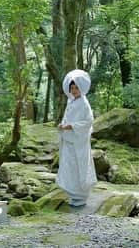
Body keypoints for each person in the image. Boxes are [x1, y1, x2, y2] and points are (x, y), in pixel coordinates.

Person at [56, 69, 97, 207]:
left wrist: (72, 126)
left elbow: (88, 122)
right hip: (69, 141)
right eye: (72, 88)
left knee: (79, 166)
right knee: (69, 166)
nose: (74, 91)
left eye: (76, 88)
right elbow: (67, 117)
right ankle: (72, 194)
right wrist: (62, 125)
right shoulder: (71, 102)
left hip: (79, 142)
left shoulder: (84, 104)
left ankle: (80, 195)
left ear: (82, 88)